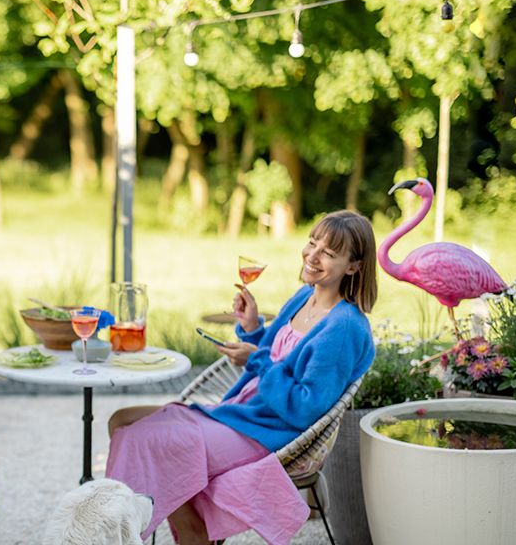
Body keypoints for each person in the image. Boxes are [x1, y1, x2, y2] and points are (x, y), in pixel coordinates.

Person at [105, 210, 378, 545]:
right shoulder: (303, 298)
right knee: (122, 420)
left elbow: (305, 407)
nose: (312, 255)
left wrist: (258, 361)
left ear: (353, 266)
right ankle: (165, 531)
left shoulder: (344, 328)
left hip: (272, 432)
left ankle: (147, 533)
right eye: (312, 243)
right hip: (241, 413)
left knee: (155, 442)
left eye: (329, 253)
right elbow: (273, 357)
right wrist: (252, 328)